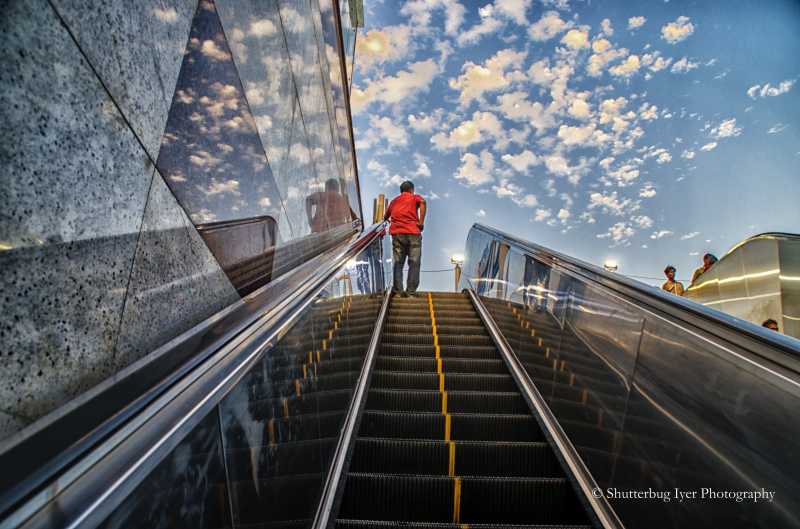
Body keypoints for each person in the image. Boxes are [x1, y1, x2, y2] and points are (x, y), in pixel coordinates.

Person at [384, 180, 426, 296]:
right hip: (413, 232)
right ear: (412, 190)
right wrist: (421, 222)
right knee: (414, 262)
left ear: (401, 191)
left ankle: (398, 291)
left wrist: (386, 219)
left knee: (398, 262)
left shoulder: (394, 201)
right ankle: (410, 292)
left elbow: (385, 216)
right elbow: (423, 202)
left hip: (397, 234)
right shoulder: (414, 197)